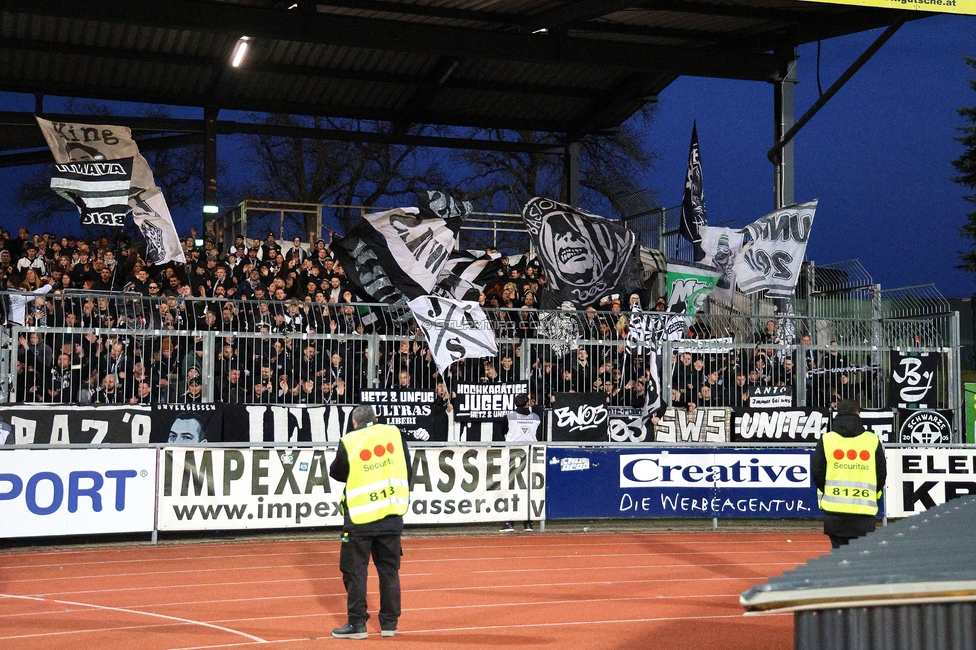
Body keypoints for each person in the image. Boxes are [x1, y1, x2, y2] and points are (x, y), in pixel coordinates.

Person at [328, 405, 412, 640]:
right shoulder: (394, 433)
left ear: (354, 422)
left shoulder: (350, 440)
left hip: (361, 519)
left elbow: (336, 472)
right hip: (392, 514)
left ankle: (357, 625)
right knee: (389, 571)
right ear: (376, 419)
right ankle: (389, 623)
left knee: (355, 571)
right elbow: (407, 467)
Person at [811, 400, 887, 549]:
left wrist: (828, 491)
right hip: (864, 512)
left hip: (835, 512)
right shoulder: (871, 440)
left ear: (837, 414)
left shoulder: (828, 439)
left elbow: (818, 472)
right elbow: (881, 473)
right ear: (858, 414)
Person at [500, 393, 541, 533]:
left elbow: (502, 432)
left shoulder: (509, 417)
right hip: (530, 455)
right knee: (528, 488)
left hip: (512, 455)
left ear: (515, 403)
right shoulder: (536, 418)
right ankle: (528, 523)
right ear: (527, 403)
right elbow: (538, 435)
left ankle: (509, 522)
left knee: (511, 488)